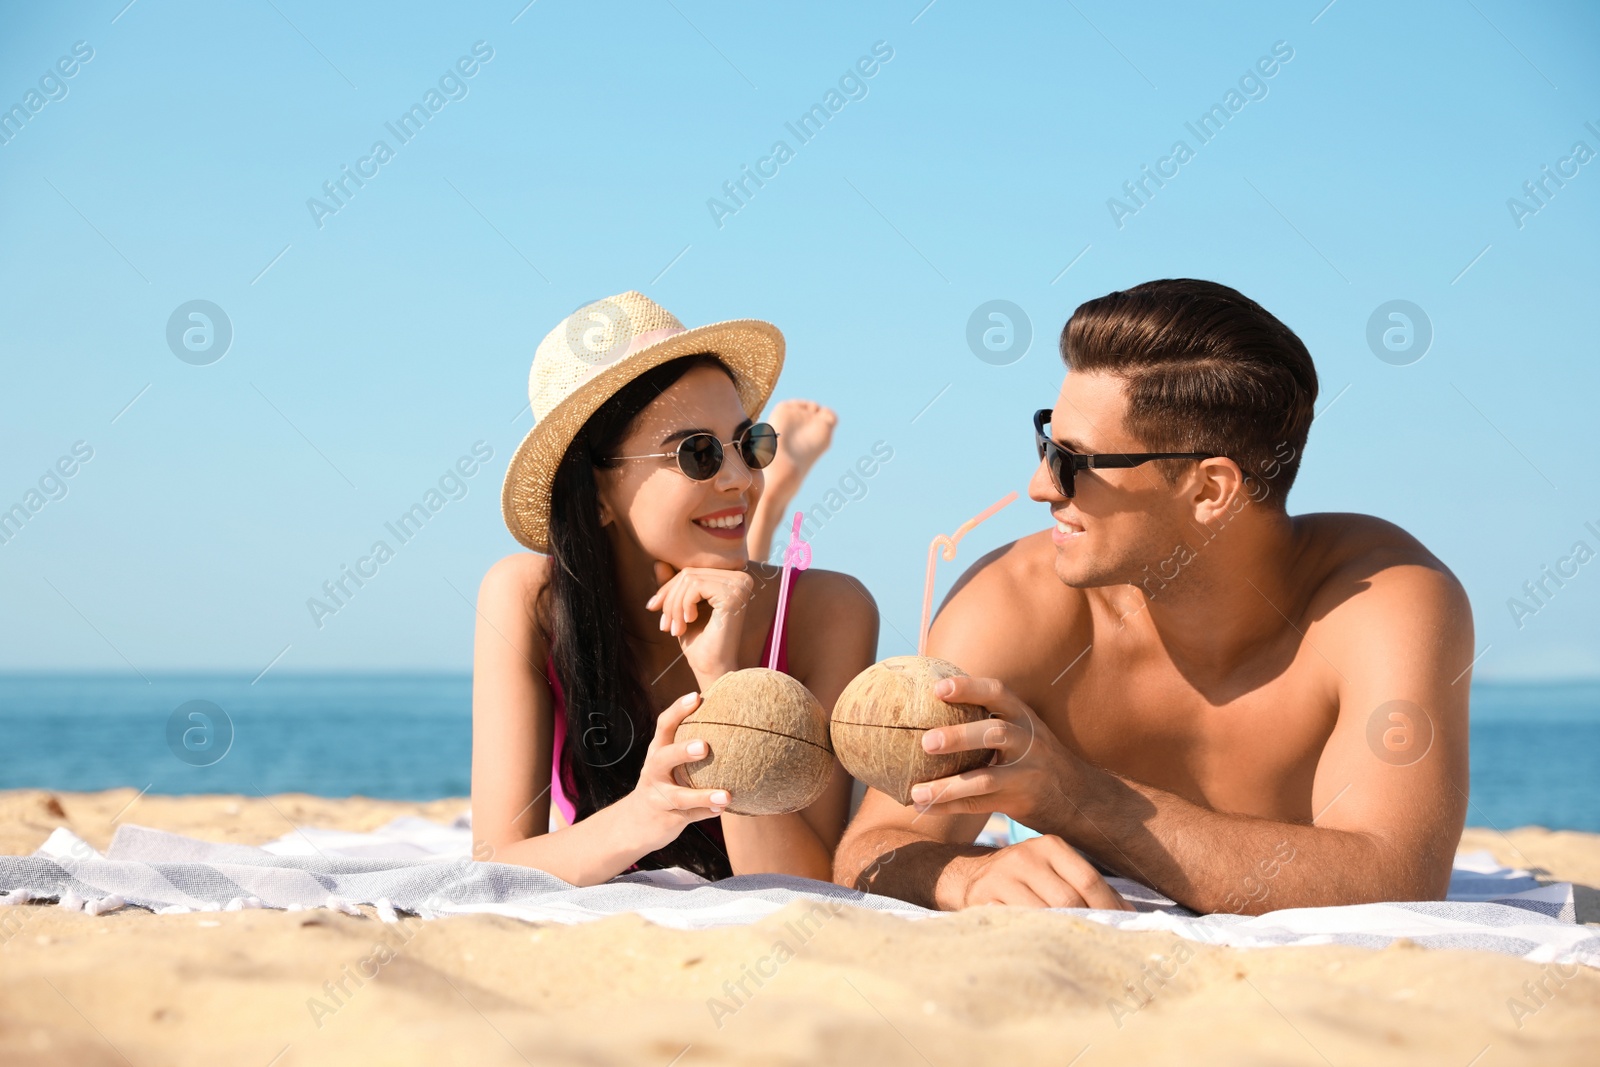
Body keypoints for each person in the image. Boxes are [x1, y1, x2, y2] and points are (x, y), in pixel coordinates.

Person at [834, 278, 1473, 914]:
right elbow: (874, 846)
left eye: (1073, 461)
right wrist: (961, 878)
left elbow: (1398, 879)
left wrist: (1078, 797)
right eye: (1045, 441)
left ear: (1209, 490)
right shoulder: (1015, 605)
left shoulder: (1384, 603)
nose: (1039, 486)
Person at [471, 291, 876, 886]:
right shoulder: (530, 600)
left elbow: (802, 887)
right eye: (698, 454)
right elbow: (496, 863)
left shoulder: (829, 611)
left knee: (733, 551)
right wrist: (648, 813)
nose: (739, 477)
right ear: (598, 490)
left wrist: (723, 683)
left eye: (750, 443)